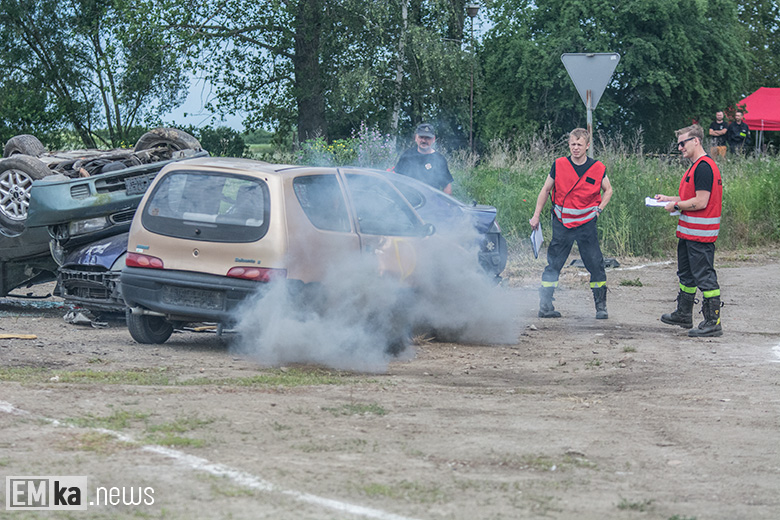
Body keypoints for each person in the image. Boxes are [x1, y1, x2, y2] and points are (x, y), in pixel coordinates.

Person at [529, 128, 613, 319]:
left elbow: (608, 190)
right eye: (573, 144)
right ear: (569, 145)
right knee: (554, 264)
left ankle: (601, 307)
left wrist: (599, 210)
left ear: (587, 146)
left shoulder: (598, 168)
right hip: (562, 223)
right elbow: (545, 189)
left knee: (595, 264)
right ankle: (545, 305)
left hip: (586, 224)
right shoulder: (559, 165)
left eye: (579, 145)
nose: (575, 148)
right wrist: (536, 215)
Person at [654, 124, 723, 337]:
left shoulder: (703, 167)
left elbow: (701, 202)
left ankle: (713, 320)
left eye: (682, 143)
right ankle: (684, 313)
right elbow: (690, 198)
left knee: (704, 277)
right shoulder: (695, 166)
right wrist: (670, 199)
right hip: (689, 233)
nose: (680, 147)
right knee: (686, 275)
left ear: (696, 141)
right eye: (678, 144)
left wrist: (676, 206)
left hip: (700, 235)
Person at [394, 123, 453, 194]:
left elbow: (446, 185)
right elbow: (396, 178)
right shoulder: (407, 155)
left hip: (431, 202)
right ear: (416, 138)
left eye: (427, 138)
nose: (424, 141)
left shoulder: (439, 159)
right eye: (421, 137)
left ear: (433, 139)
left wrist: (447, 204)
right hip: (408, 202)